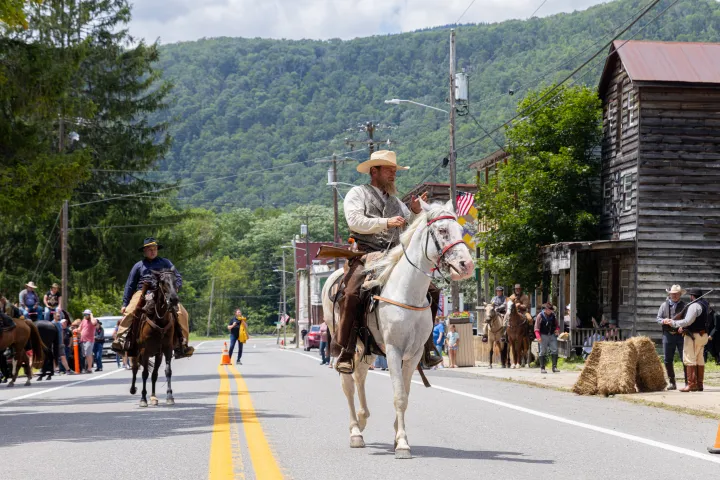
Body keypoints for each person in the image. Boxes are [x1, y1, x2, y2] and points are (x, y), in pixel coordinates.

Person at [331, 150, 442, 374]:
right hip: (365, 253)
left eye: (394, 170)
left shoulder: (396, 202)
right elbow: (355, 221)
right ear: (374, 171)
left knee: (432, 290)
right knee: (352, 293)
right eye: (389, 170)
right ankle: (346, 348)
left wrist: (415, 212)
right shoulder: (357, 193)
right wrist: (386, 222)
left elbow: (408, 226)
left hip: (394, 255)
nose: (394, 174)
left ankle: (427, 346)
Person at [112, 237, 194, 359]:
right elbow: (130, 285)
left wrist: (175, 287)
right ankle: (121, 339)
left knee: (183, 313)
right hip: (143, 292)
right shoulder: (138, 266)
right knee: (130, 311)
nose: (153, 251)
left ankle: (182, 344)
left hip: (164, 292)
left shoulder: (166, 263)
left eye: (154, 249)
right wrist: (125, 303)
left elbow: (177, 277)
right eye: (150, 249)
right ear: (144, 251)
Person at [663, 287, 710, 392]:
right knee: (699, 359)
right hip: (703, 335)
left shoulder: (694, 306)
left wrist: (674, 323)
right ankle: (699, 384)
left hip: (693, 336)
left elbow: (688, 321)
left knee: (689, 359)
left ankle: (692, 384)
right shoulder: (706, 305)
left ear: (692, 296)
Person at [656, 285, 687, 390]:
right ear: (669, 294)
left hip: (681, 336)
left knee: (685, 359)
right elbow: (658, 318)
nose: (674, 295)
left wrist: (683, 327)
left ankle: (688, 382)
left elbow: (688, 320)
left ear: (680, 295)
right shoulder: (663, 306)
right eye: (672, 294)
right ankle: (672, 383)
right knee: (667, 360)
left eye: (676, 294)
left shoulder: (685, 306)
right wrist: (663, 321)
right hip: (668, 335)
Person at [534, 303, 560, 374]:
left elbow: (557, 325)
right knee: (542, 351)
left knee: (554, 350)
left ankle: (554, 367)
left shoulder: (553, 316)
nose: (549, 311)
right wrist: (538, 337)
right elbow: (536, 328)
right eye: (548, 309)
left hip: (552, 335)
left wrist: (557, 330)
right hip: (543, 335)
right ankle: (542, 368)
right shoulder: (540, 316)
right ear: (545, 309)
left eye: (551, 309)